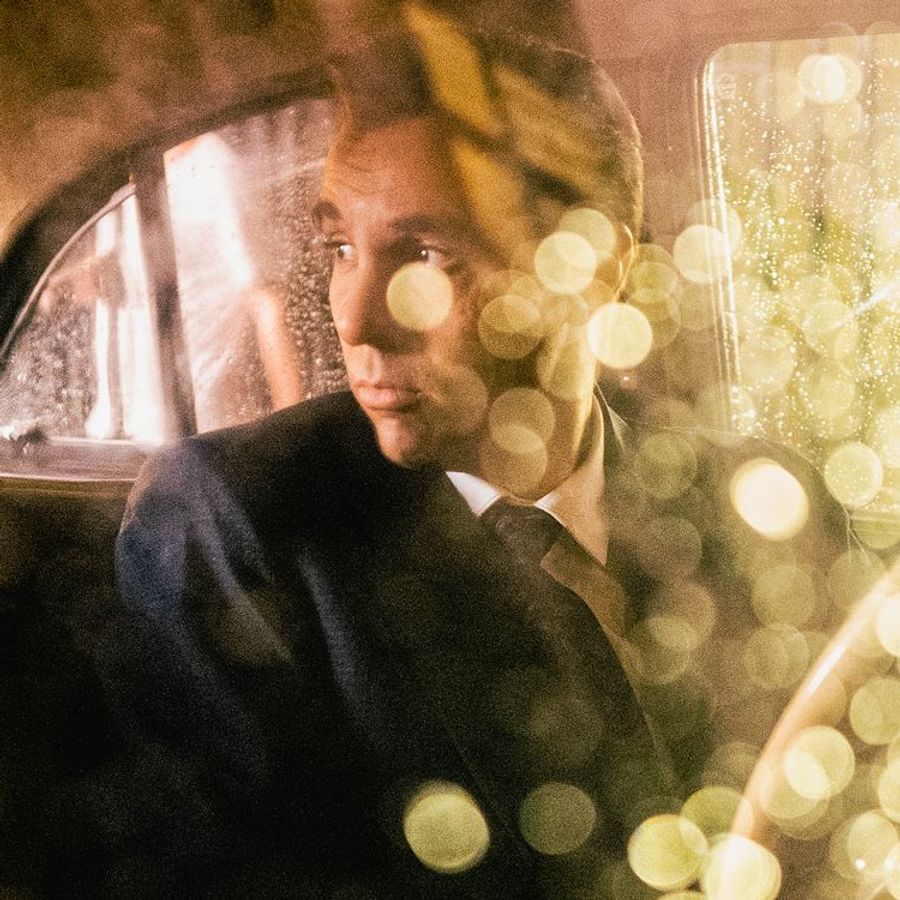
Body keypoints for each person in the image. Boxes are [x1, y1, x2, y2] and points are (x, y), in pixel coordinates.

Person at [88, 22, 845, 900]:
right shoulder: (235, 520)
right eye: (340, 249)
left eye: (425, 255)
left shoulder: (760, 498)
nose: (355, 318)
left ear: (592, 272)